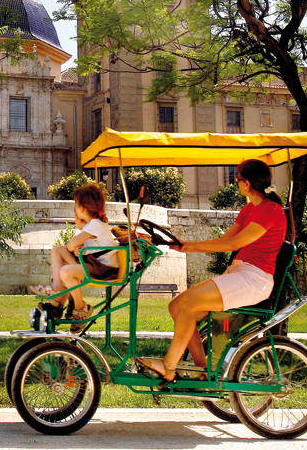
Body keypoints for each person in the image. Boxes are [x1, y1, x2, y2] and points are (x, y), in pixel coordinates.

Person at [136, 159, 288, 382]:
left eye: (237, 179)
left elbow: (233, 244)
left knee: (187, 305)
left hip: (254, 279)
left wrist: (190, 247)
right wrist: (178, 244)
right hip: (240, 273)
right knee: (177, 306)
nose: (236, 183)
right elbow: (226, 240)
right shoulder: (249, 210)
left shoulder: (271, 211)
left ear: (246, 184)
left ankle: (169, 365)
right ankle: (202, 370)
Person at [28, 183, 119, 330]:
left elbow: (74, 242)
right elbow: (89, 245)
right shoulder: (94, 224)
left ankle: (80, 307)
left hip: (102, 269)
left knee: (66, 271)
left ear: (82, 208)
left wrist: (73, 246)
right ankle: (57, 288)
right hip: (93, 265)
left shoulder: (96, 223)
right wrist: (79, 249)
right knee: (58, 249)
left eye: (76, 205)